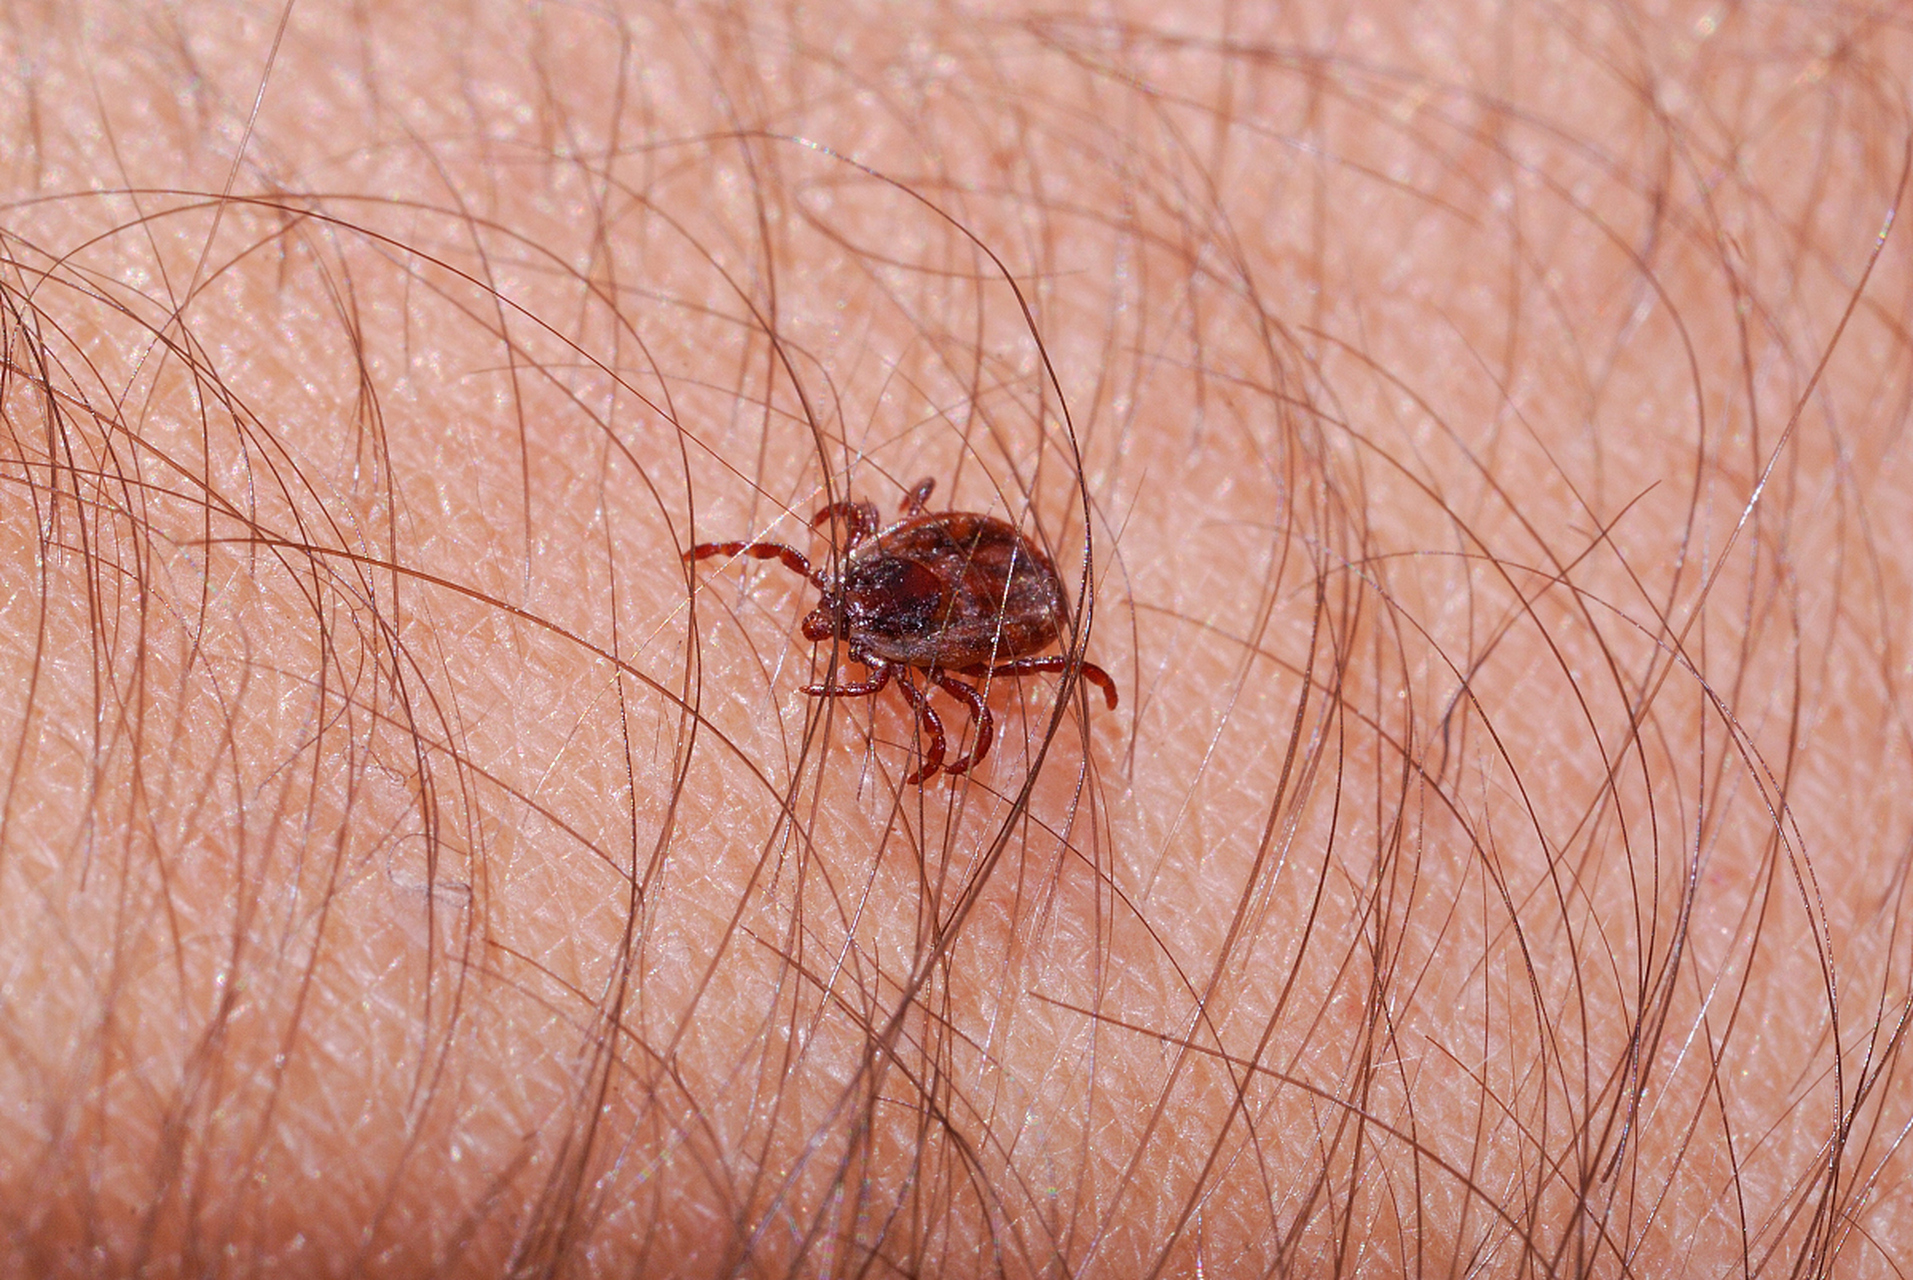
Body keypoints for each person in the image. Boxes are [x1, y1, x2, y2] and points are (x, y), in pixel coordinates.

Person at [1, 0, 1906, 1273]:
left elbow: (974, 714)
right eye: (850, 604)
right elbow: (939, 632)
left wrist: (951, 691)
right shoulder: (902, 590)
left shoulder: (936, 649)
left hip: (1016, 600)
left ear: (883, 600)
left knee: (1004, 662)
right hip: (1010, 586)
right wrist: (904, 630)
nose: (844, 615)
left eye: (854, 610)